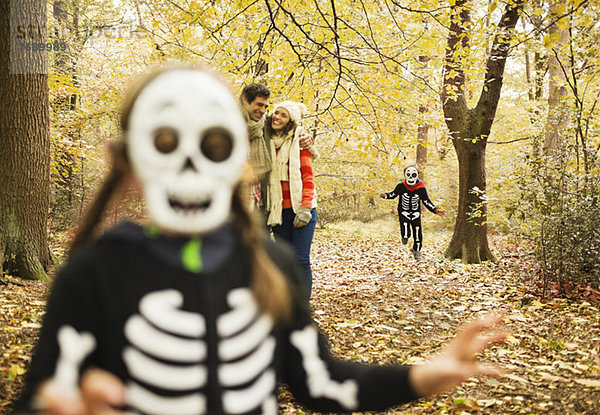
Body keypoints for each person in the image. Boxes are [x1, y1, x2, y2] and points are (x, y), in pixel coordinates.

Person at [13, 66, 506, 415]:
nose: (189, 165)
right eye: (164, 143)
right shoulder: (94, 273)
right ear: (131, 162)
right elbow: (41, 396)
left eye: (212, 145)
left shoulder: (271, 266)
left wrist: (422, 376)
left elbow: (320, 382)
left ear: (237, 161)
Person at [265, 100, 317, 299]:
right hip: (278, 212)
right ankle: (288, 304)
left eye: (283, 115)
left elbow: (307, 177)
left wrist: (305, 208)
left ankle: (302, 307)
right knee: (284, 261)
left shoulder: (298, 142)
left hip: (301, 209)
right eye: (276, 112)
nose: (277, 117)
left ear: (290, 122)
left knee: (300, 260)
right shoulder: (266, 141)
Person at [239, 84, 318, 214]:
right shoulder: (228, 125)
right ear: (245, 100)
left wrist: (305, 137)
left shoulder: (264, 126)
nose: (263, 110)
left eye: (266, 106)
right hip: (234, 205)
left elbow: (289, 131)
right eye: (259, 105)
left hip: (260, 205)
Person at [380, 165, 446, 260]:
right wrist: (385, 195)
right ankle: (405, 236)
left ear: (418, 175)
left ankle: (417, 251)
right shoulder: (401, 186)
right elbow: (393, 194)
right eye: (408, 174)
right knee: (406, 232)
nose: (411, 177)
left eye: (414, 174)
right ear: (405, 175)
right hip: (404, 212)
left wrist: (435, 210)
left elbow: (426, 201)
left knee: (418, 233)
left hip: (416, 213)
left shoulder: (421, 188)